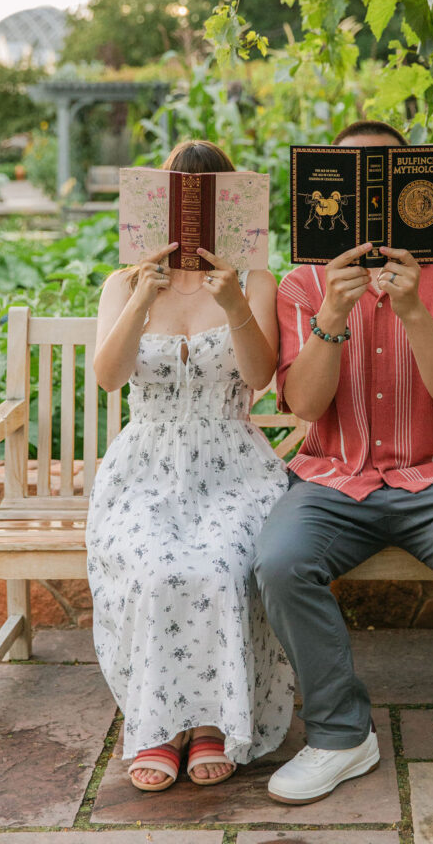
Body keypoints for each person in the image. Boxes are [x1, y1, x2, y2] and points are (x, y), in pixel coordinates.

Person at [254, 120, 433, 805]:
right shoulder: (303, 283)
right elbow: (307, 408)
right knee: (280, 564)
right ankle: (341, 736)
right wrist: (332, 318)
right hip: (333, 477)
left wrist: (413, 312)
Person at [87, 140, 294, 793]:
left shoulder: (255, 282)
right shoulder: (122, 282)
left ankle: (211, 722)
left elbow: (261, 379)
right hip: (144, 466)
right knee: (152, 566)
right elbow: (109, 379)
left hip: (232, 461)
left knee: (218, 565)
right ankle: (159, 724)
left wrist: (233, 303)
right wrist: (141, 301)